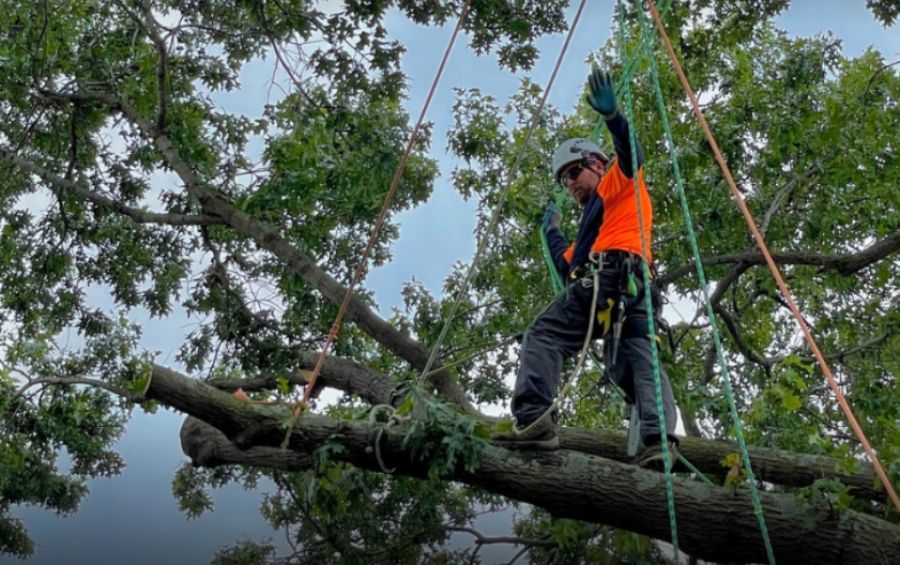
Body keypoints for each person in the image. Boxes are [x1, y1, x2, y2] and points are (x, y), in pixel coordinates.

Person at [494, 66, 679, 467]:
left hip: (617, 277)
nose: (571, 184)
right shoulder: (597, 225)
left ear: (597, 163)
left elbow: (631, 153)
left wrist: (614, 118)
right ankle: (658, 440)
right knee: (633, 361)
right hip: (625, 286)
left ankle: (535, 420)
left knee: (544, 334)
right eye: (564, 181)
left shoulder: (618, 181)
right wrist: (552, 232)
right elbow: (569, 266)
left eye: (574, 172)